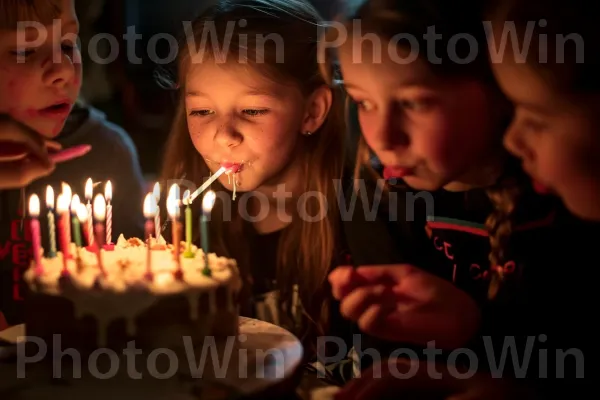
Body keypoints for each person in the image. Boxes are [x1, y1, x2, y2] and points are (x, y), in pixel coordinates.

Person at [320, 0, 595, 397]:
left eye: (415, 102)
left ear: (499, 91)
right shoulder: (372, 185)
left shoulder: (566, 194)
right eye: (364, 102)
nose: (382, 139)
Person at [159, 0, 351, 359]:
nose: (224, 135)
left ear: (312, 111)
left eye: (252, 110)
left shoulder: (362, 219)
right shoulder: (182, 225)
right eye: (201, 111)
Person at [0, 0, 146, 327]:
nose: (64, 69)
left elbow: (136, 291)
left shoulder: (105, 153)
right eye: (24, 51)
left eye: (68, 44)